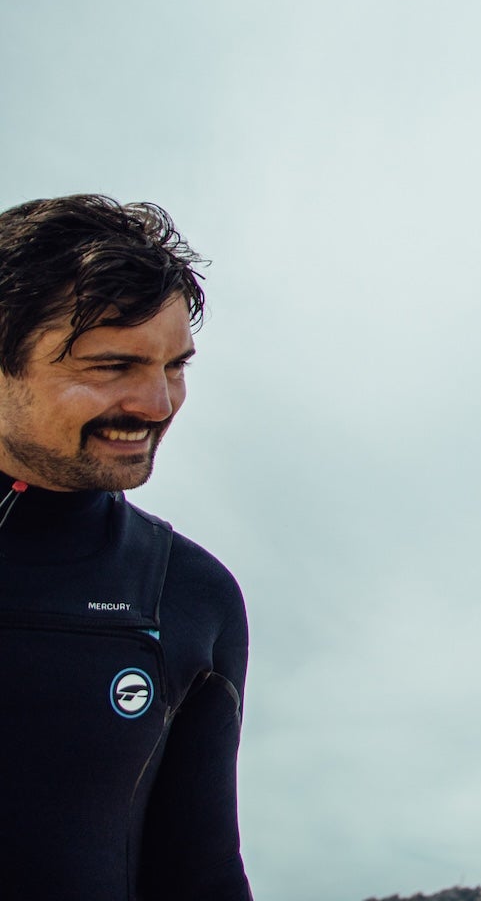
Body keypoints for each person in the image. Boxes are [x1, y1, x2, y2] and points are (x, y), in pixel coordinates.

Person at [0, 194, 253, 900]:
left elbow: (200, 875)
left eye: (175, 366)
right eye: (113, 366)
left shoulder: (189, 594)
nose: (158, 404)